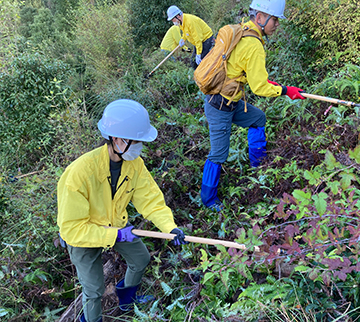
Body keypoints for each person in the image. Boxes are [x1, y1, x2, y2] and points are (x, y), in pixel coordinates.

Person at [57, 99, 188, 322]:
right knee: (94, 289)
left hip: (115, 224)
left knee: (141, 258)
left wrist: (170, 227)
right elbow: (71, 228)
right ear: (117, 139)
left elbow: (151, 201)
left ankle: (127, 301)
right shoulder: (78, 173)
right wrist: (115, 235)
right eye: (136, 141)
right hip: (83, 235)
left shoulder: (134, 163)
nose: (140, 146)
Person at [200, 0, 306, 211]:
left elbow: (243, 69)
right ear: (260, 17)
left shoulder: (242, 30)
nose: (276, 25)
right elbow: (259, 88)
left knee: (258, 118)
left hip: (231, 101)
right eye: (274, 19)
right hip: (220, 105)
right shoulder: (254, 44)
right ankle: (208, 200)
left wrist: (271, 84)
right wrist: (285, 90)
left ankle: (258, 165)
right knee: (219, 154)